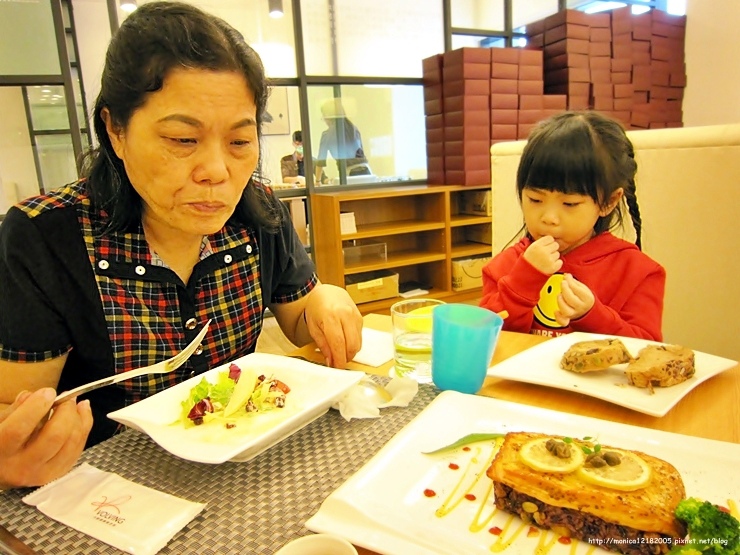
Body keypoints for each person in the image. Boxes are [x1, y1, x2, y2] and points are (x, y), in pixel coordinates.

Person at [0, 1, 362, 489]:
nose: (217, 171)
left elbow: (299, 318)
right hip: (106, 497)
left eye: (239, 143)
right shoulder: (46, 236)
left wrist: (326, 300)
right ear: (115, 130)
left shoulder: (257, 212)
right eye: (182, 139)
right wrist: (14, 456)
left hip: (244, 470)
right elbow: (12, 408)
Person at [480, 111, 665, 341]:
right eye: (535, 200)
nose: (549, 218)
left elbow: (647, 352)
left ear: (609, 202)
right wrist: (523, 282)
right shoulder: (506, 266)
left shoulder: (636, 272)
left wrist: (593, 315)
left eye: (569, 203)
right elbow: (483, 340)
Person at [314, 98, 371, 184]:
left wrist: (317, 181)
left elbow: (320, 162)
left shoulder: (327, 135)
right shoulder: (353, 129)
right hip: (367, 172)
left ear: (327, 116)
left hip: (349, 174)